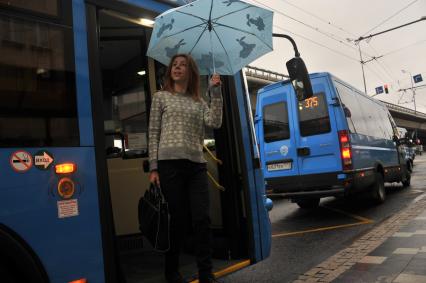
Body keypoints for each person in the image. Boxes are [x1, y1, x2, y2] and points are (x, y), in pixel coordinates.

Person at [148, 53, 223, 283]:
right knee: (177, 221)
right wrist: (154, 168)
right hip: (169, 166)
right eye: (175, 65)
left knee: (202, 219)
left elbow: (215, 122)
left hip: (196, 166)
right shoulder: (160, 97)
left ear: (190, 72)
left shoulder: (199, 102)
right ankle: (171, 272)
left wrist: (215, 91)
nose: (177, 68)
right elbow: (153, 133)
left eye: (183, 66)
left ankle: (205, 273)